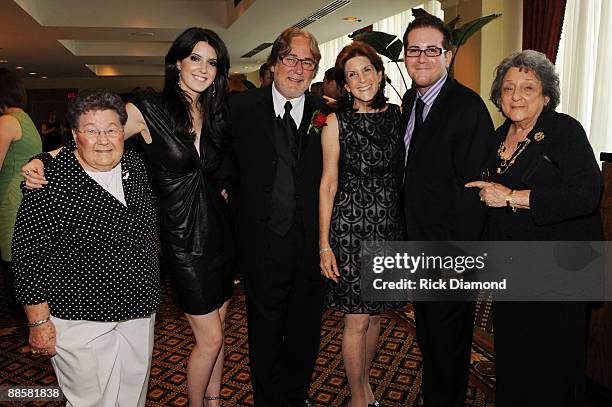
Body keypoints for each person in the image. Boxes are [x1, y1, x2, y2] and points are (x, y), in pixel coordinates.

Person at [21, 27, 235, 407]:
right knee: (211, 338)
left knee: (217, 333)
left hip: (218, 235)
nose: (203, 69)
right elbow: (99, 132)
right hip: (182, 241)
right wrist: (41, 160)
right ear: (177, 63)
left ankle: (215, 400)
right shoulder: (148, 109)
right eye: (195, 58)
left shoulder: (217, 111)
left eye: (213, 62)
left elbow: (217, 171)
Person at [466, 50, 602, 407]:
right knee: (515, 357)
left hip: (562, 270)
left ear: (546, 96)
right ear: (498, 96)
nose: (517, 96)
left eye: (528, 87)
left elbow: (586, 194)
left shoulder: (564, 130)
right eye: (508, 88)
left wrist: (512, 196)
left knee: (554, 365)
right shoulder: (497, 138)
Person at [12, 89, 160, 407]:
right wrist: (38, 323)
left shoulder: (133, 162)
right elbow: (27, 256)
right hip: (81, 318)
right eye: (91, 131)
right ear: (75, 135)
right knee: (92, 401)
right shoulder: (48, 180)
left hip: (139, 310)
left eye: (111, 129)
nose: (103, 139)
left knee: (133, 396)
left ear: (124, 131)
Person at [229, 27, 327, 407]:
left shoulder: (328, 115)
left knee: (305, 333)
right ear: (273, 64)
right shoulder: (241, 110)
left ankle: (297, 396)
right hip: (260, 246)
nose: (298, 69)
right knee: (264, 333)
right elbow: (215, 163)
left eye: (308, 62)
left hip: (310, 248)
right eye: (291, 59)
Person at [400, 14, 494, 407]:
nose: (422, 58)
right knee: (430, 337)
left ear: (448, 56)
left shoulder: (467, 108)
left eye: (431, 50)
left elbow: (475, 191)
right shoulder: (410, 101)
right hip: (418, 244)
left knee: (449, 340)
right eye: (414, 50)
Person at [319, 42, 405, 407]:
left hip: (389, 228)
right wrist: (324, 244)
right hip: (350, 231)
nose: (361, 79)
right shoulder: (336, 122)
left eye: (366, 70)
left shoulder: (400, 115)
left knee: (375, 317)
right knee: (355, 320)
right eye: (352, 75)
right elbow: (327, 185)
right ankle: (358, 398)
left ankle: (364, 383)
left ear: (380, 73)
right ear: (345, 85)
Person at [0, 68, 42, 310]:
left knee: (14, 265)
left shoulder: (7, 121)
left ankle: (32, 327)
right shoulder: (24, 118)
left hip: (11, 199)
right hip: (23, 196)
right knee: (22, 263)